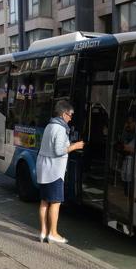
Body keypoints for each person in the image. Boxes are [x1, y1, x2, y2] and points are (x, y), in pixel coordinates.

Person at [36, 100, 84, 243]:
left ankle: (43, 232)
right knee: (55, 202)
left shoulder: (49, 126)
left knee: (44, 201)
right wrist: (75, 146)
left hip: (43, 168)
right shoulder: (60, 129)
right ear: (64, 114)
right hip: (54, 171)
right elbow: (58, 151)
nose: (71, 118)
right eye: (70, 115)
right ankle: (53, 233)